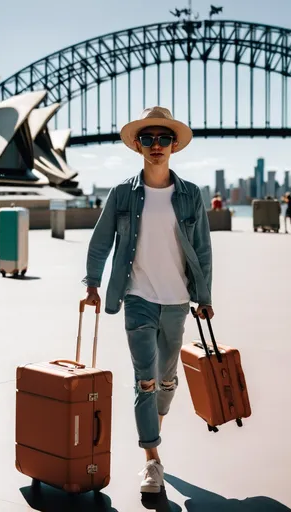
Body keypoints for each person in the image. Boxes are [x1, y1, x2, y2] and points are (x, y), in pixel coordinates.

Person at [81, 106, 214, 495]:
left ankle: (154, 419)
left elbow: (203, 250)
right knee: (146, 380)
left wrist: (203, 296)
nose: (156, 146)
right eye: (149, 139)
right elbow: (102, 240)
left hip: (176, 301)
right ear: (137, 145)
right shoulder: (123, 193)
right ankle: (152, 461)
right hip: (137, 297)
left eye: (164, 138)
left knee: (167, 381)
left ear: (174, 145)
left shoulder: (191, 195)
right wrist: (92, 282)